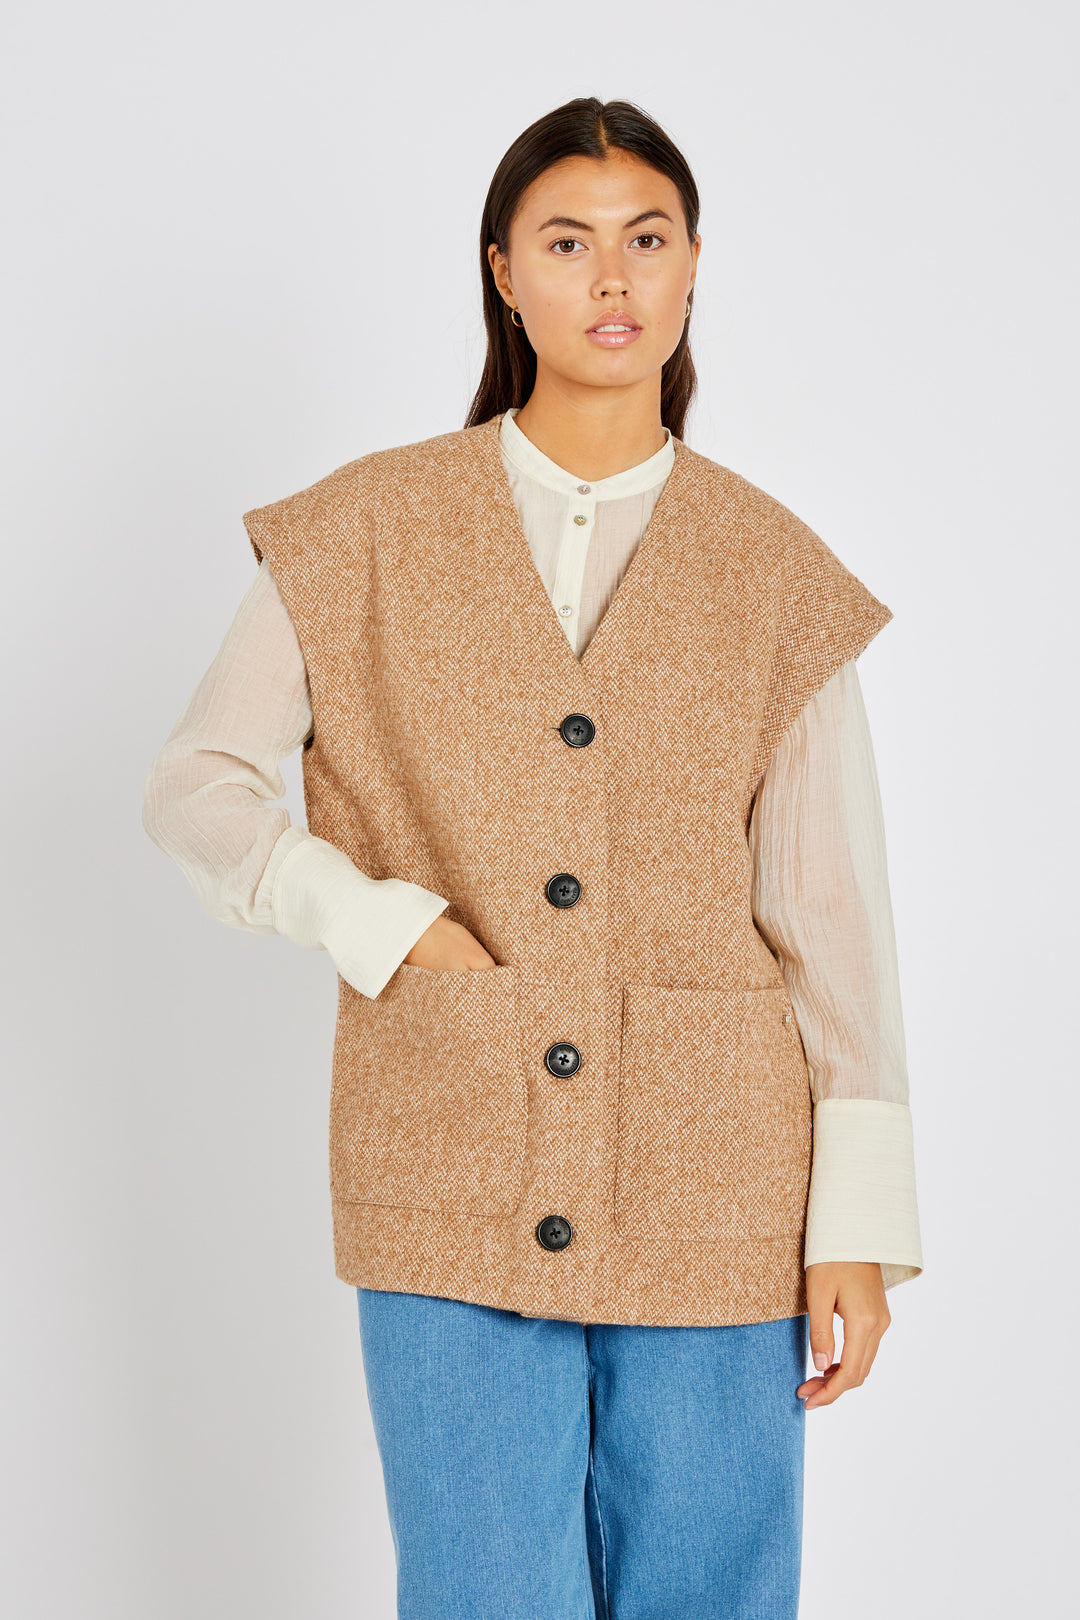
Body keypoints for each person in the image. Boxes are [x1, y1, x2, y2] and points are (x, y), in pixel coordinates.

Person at [143, 96, 923, 1620]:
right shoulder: (360, 530)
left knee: (714, 1591)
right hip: (446, 1148)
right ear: (504, 273)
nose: (612, 277)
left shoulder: (775, 573)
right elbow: (198, 786)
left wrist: (859, 1231)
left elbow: (832, 919)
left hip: (719, 1179)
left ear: (693, 267)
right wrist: (371, 917)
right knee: (484, 1592)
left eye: (648, 239)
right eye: (568, 243)